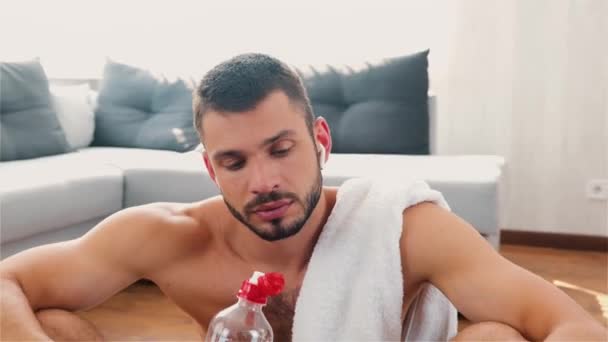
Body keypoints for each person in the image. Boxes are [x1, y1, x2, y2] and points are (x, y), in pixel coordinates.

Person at [0, 53, 605, 342]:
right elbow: (8, 283)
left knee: (492, 339)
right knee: (52, 326)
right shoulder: (171, 237)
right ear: (211, 169)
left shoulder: (402, 228)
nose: (262, 180)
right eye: (234, 161)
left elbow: (565, 323)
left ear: (321, 141)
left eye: (280, 148)